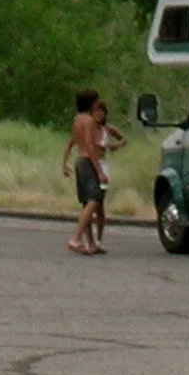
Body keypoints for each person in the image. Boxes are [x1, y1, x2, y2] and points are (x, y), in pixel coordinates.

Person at [64, 88, 126, 255]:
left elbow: (75, 142)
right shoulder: (90, 121)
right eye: (97, 101)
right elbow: (91, 147)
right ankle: (76, 238)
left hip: (79, 162)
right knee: (95, 199)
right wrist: (99, 171)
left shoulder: (77, 119)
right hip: (89, 161)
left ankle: (90, 243)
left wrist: (65, 163)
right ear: (92, 103)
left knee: (86, 202)